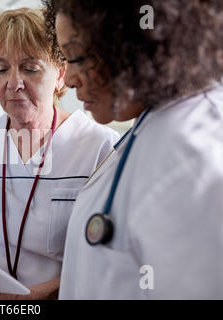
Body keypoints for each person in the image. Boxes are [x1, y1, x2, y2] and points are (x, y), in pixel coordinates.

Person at [0, 8, 119, 300]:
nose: (13, 83)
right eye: (1, 69)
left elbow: (108, 263)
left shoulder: (100, 148)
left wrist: (20, 301)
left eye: (30, 68)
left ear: (61, 76)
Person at [43, 0, 223, 299]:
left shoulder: (191, 152)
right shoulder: (151, 124)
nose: (70, 79)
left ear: (134, 43)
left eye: (75, 57)